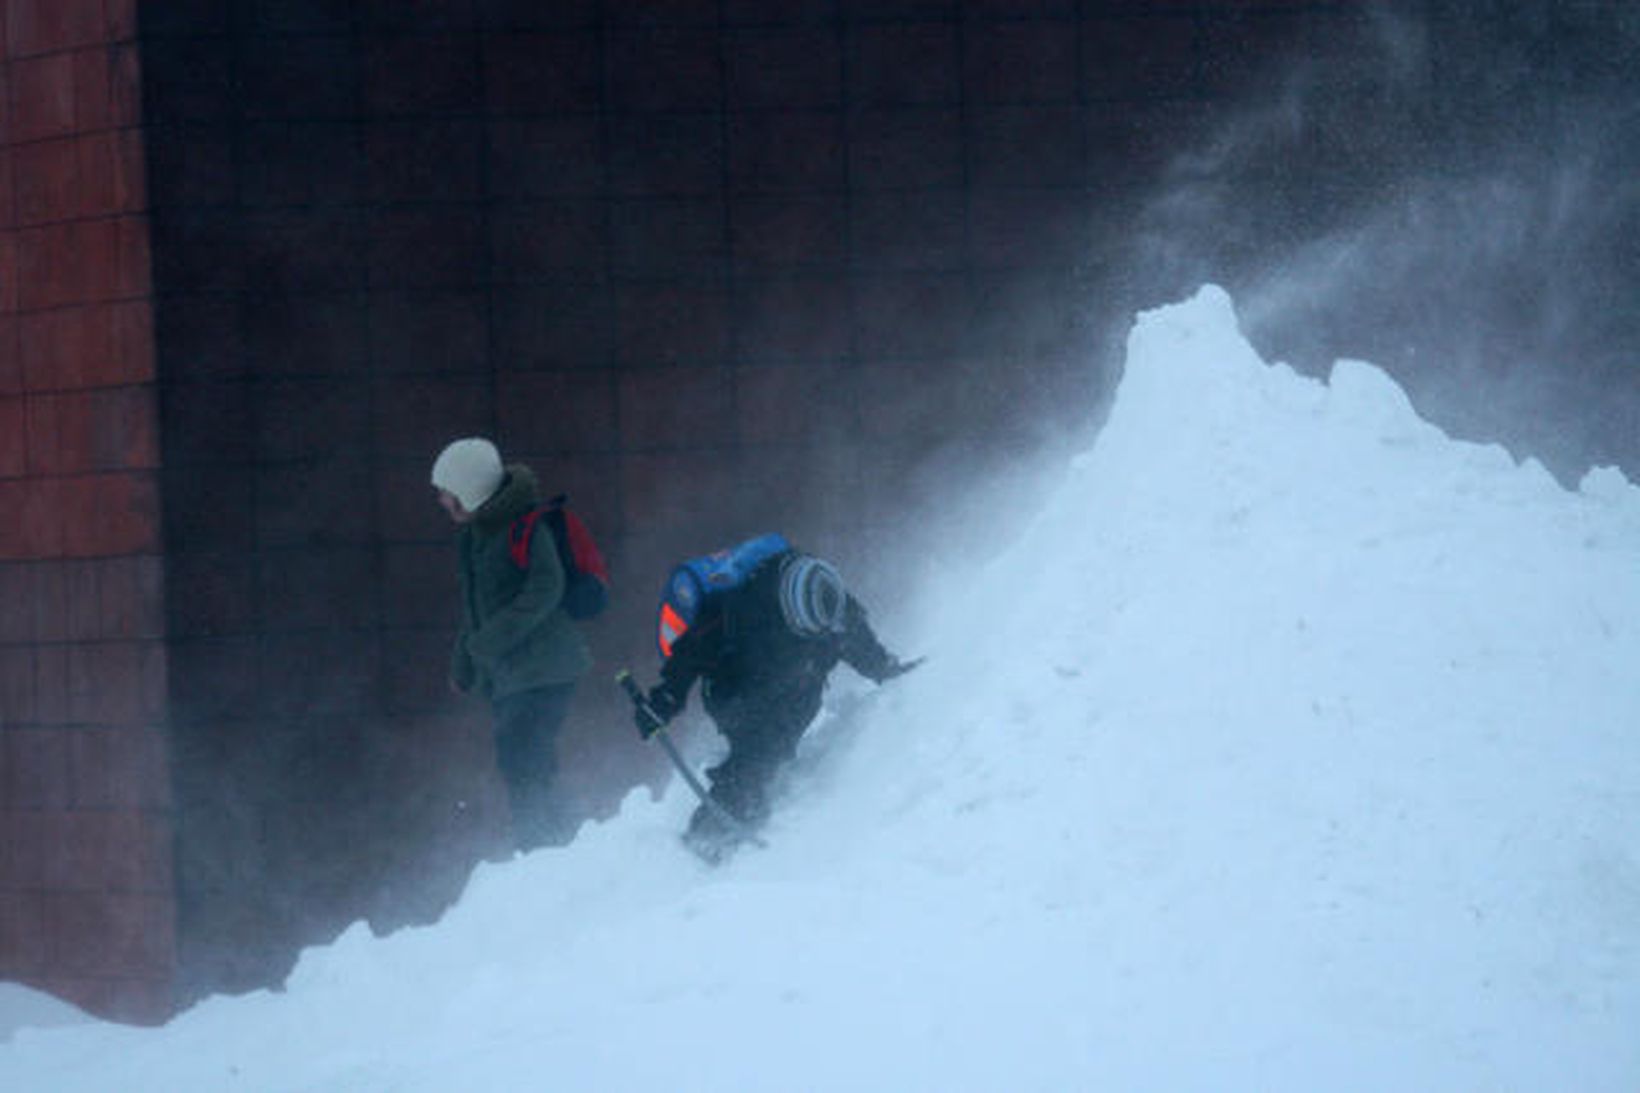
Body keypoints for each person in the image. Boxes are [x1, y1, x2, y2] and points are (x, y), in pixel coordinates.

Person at [632, 539, 920, 863]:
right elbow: (688, 657)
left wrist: (887, 669)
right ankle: (707, 835)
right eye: (807, 634)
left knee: (777, 741)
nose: (823, 637)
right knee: (756, 752)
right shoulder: (737, 606)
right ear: (788, 613)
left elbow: (859, 644)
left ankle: (752, 788)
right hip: (733, 690)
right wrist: (664, 702)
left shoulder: (831, 603)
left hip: (796, 687)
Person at [431, 437, 593, 852]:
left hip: (547, 667)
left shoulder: (526, 526)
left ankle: (546, 845)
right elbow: (475, 610)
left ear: (470, 491)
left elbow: (547, 587)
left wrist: (487, 643)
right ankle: (553, 842)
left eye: (447, 494)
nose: (442, 502)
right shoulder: (473, 538)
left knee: (523, 755)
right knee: (520, 756)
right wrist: (464, 665)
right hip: (510, 674)